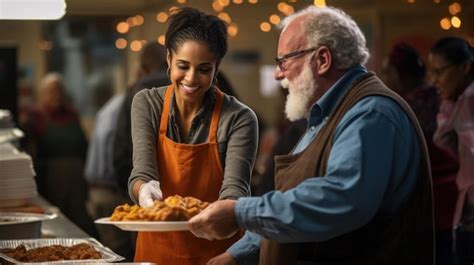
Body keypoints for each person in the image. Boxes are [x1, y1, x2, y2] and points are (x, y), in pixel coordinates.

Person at [189, 5, 434, 265]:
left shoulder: (370, 114)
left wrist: (240, 213)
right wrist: (236, 255)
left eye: (284, 61)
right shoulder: (328, 115)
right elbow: (294, 199)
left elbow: (339, 199)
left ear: (323, 60)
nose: (277, 74)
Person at [128, 7, 258, 264]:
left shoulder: (239, 118)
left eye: (203, 69)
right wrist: (145, 190)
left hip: (217, 250)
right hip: (156, 251)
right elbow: (141, 173)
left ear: (217, 67)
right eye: (183, 66)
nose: (191, 78)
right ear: (168, 59)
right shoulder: (147, 103)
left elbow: (235, 190)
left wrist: (222, 213)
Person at [382, 42, 459, 265]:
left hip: (427, 206)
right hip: (455, 201)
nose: (384, 79)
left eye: (387, 72)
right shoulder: (443, 97)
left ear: (399, 74)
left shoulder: (401, 108)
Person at [20, 72, 96, 237]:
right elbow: (29, 154)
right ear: (42, 94)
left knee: (79, 221)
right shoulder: (35, 116)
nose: (57, 95)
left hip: (76, 177)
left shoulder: (72, 114)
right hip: (50, 178)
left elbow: (84, 146)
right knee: (56, 223)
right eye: (52, 91)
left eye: (60, 91)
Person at [428, 37, 474, 265]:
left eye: (439, 72)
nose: (434, 80)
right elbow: (445, 143)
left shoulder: (470, 99)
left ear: (465, 67)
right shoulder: (460, 101)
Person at [84, 74, 135, 260]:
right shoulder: (126, 106)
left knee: (112, 251)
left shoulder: (110, 106)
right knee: (120, 254)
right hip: (111, 192)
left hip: (97, 189)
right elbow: (119, 156)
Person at [113, 42, 169, 193]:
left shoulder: (137, 89)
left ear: (143, 69)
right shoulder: (202, 83)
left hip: (146, 183)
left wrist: (128, 187)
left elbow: (122, 143)